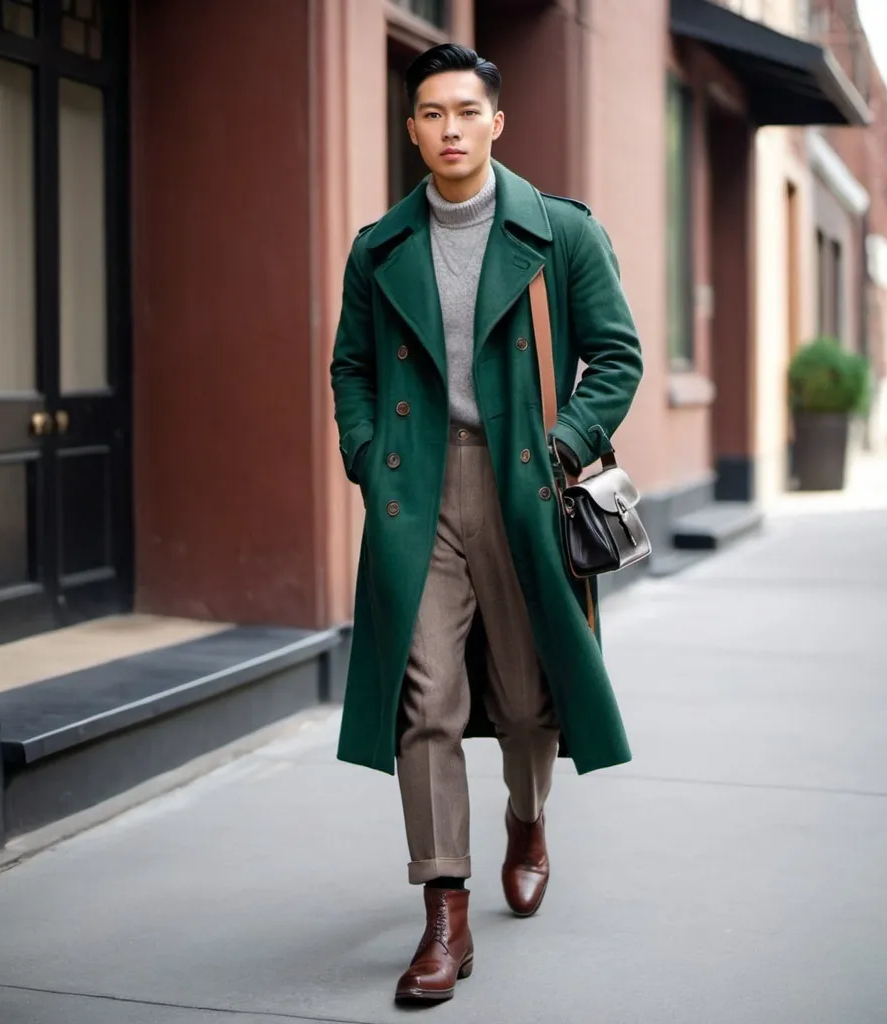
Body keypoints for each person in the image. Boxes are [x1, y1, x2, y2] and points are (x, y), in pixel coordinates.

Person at [330, 42, 643, 1005]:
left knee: (521, 698)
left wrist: (562, 446)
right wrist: (365, 450)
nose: (450, 128)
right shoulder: (380, 246)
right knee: (423, 701)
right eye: (431, 113)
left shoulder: (559, 233)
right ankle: (445, 911)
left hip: (525, 488)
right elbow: (352, 368)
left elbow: (617, 356)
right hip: (415, 494)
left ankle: (526, 815)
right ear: (413, 127)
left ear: (496, 123)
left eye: (467, 111)